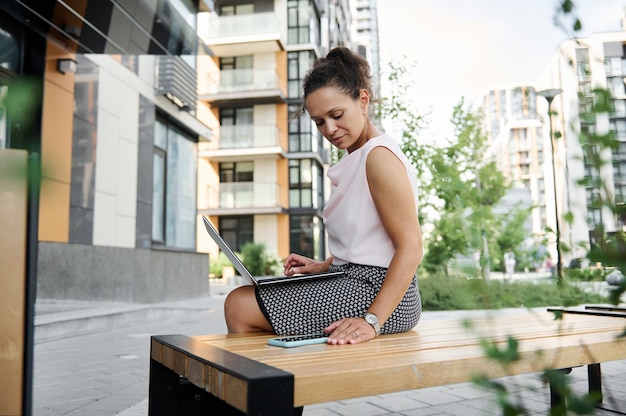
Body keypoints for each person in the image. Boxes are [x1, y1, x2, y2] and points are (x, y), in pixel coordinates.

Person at [223, 46, 423, 345]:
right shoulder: (357, 158)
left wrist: (372, 320)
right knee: (242, 300)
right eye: (319, 121)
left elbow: (412, 246)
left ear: (363, 100)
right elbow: (369, 241)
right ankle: (279, 383)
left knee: (240, 305)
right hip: (356, 283)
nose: (329, 129)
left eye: (337, 115)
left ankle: (272, 387)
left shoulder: (378, 157)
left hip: (382, 296)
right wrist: (323, 266)